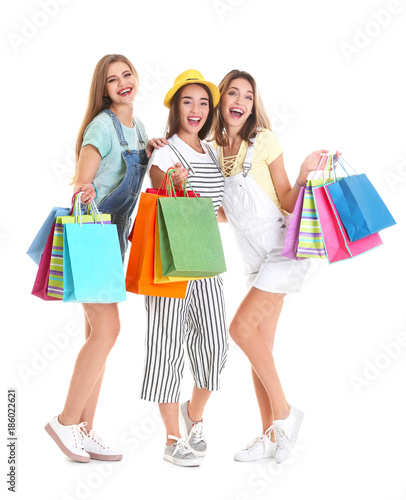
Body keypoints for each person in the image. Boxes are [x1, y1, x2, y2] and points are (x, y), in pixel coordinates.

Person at [211, 69, 336, 463]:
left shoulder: (263, 140)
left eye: (248, 96)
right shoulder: (213, 150)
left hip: (282, 252)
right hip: (253, 259)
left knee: (239, 328)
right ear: (222, 100)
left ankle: (284, 415)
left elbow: (284, 200)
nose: (241, 101)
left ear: (253, 105)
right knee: (259, 346)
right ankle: (270, 438)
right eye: (233, 93)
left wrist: (301, 176)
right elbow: (227, 212)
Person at [45, 54, 164, 463]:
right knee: (108, 331)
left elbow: (130, 174)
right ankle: (64, 422)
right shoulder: (101, 127)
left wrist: (149, 150)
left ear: (136, 77)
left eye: (127, 74)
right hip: (92, 237)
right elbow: (83, 181)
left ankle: (84, 429)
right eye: (113, 80)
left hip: (114, 239)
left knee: (97, 336)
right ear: (104, 89)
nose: (122, 83)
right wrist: (85, 189)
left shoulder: (139, 127)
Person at [141, 69, 228, 467]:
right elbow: (162, 195)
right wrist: (173, 181)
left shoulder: (212, 152)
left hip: (206, 261)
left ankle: (193, 415)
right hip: (170, 264)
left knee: (215, 345)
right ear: (175, 108)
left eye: (203, 102)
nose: (196, 110)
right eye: (187, 101)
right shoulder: (164, 152)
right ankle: (171, 439)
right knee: (167, 348)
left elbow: (218, 211)